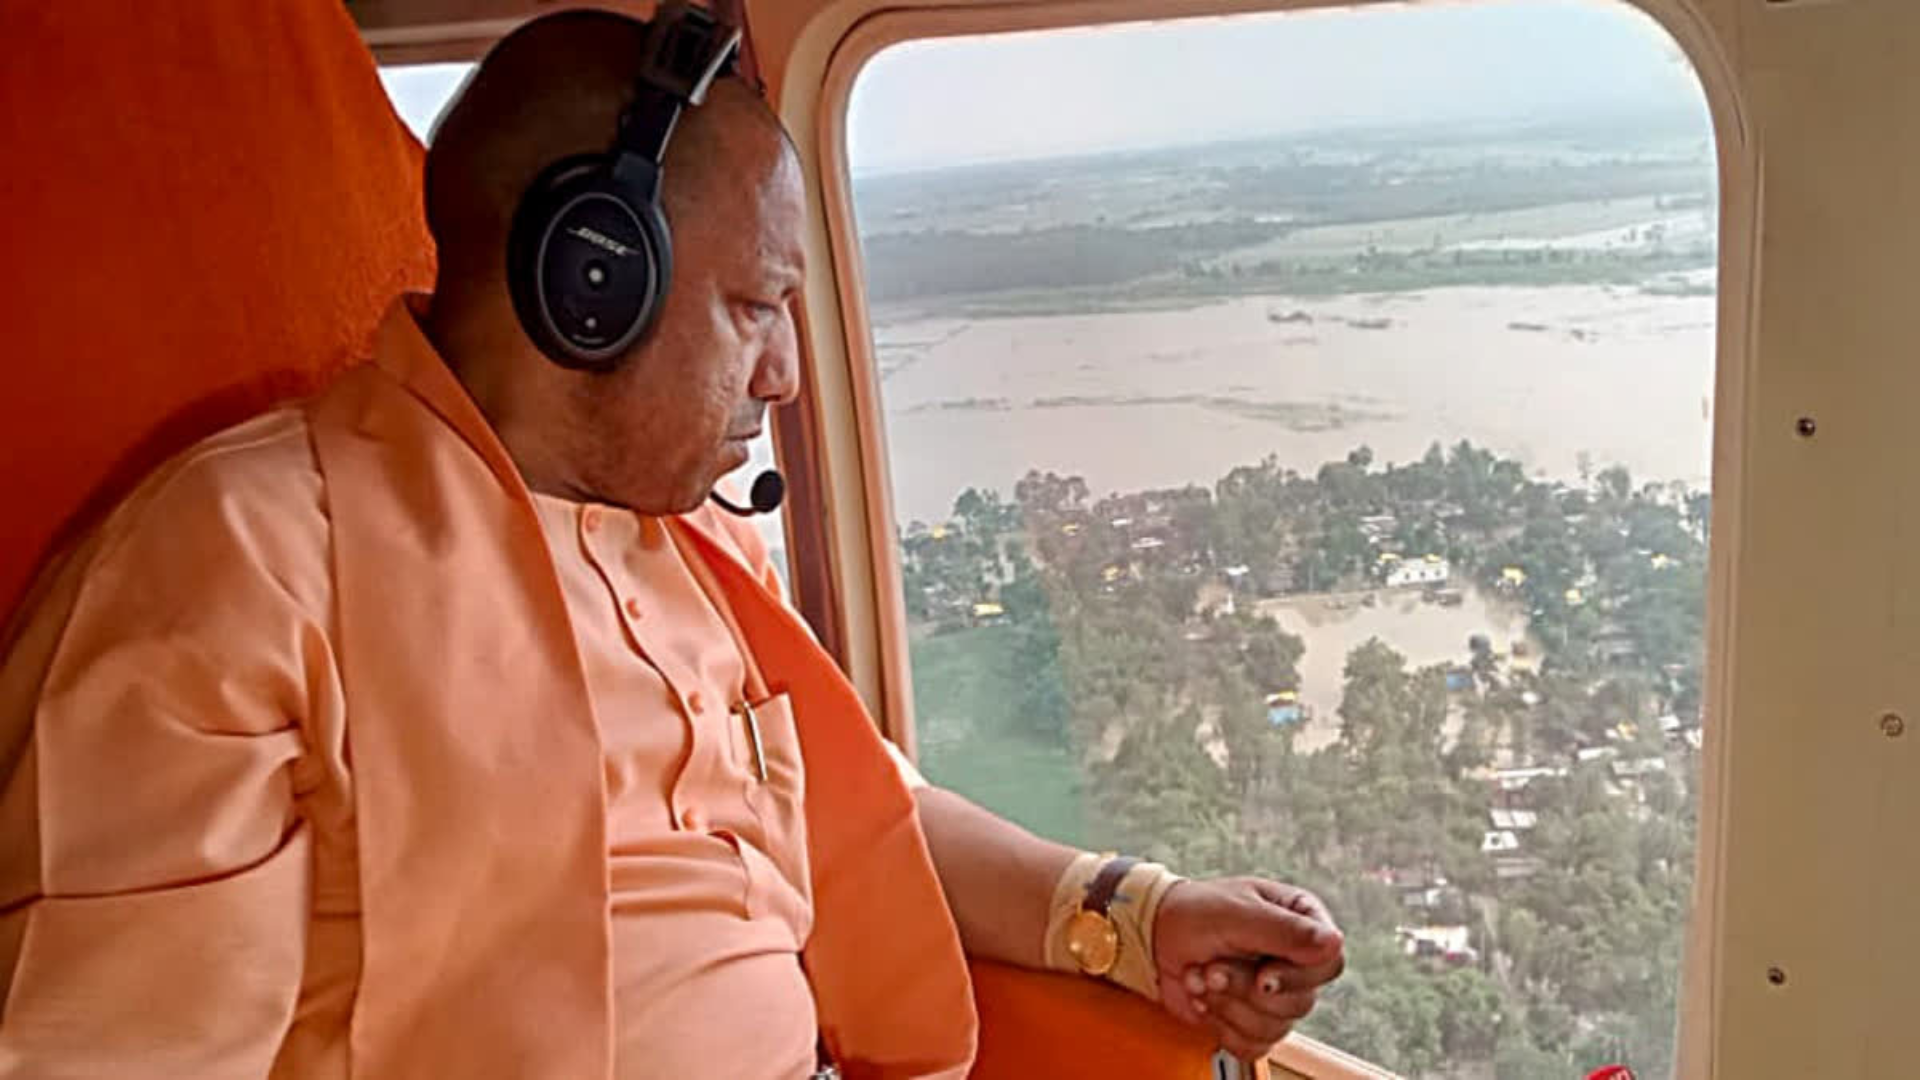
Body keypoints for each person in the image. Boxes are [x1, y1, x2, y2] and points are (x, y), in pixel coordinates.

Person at [0, 8, 1342, 1078]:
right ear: (593, 279)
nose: (783, 380)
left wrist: (1131, 913)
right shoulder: (238, 567)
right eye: (758, 304)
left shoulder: (689, 550)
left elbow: (860, 812)